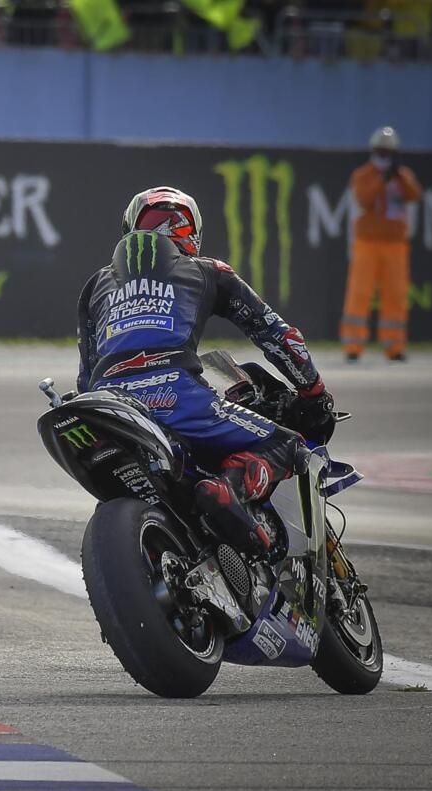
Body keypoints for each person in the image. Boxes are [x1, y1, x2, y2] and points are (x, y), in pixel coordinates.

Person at [76, 186, 335, 556]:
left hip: (110, 404)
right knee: (288, 444)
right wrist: (313, 391)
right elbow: (279, 336)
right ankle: (230, 488)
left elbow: (86, 377)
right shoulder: (207, 270)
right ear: (190, 231)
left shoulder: (94, 287)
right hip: (175, 395)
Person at [340, 126, 422, 363]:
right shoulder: (364, 174)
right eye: (381, 151)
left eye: (388, 152)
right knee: (360, 293)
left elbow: (415, 194)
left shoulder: (402, 175)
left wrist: (399, 178)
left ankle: (394, 346)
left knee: (395, 294)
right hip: (367, 243)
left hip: (396, 244)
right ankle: (353, 345)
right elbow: (364, 199)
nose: (384, 156)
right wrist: (381, 181)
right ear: (373, 151)